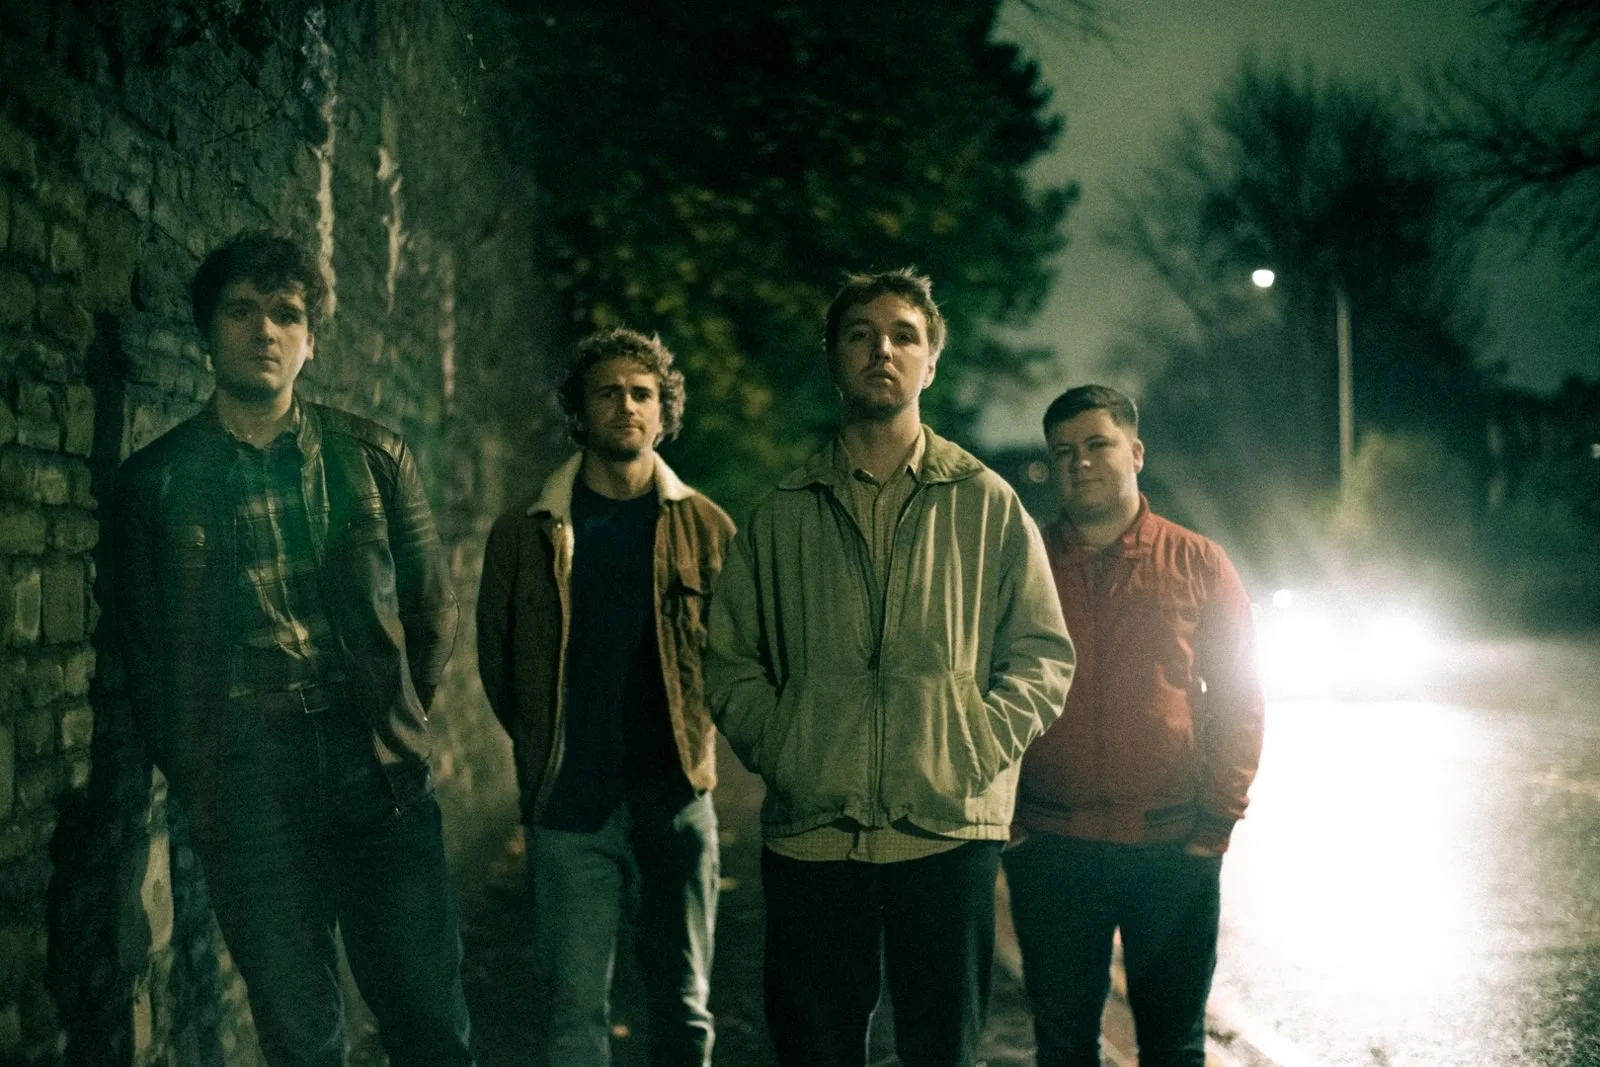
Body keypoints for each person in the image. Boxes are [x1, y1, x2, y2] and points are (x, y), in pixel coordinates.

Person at [113, 229, 473, 1066]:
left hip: (375, 764)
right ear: (208, 334)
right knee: (301, 1035)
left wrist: (393, 718)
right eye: (241, 311)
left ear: (311, 341)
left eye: (286, 314)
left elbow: (431, 609)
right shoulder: (155, 482)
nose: (265, 331)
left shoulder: (372, 457)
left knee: (428, 1018)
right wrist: (203, 765)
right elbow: (146, 655)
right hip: (248, 776)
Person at [706, 269, 1076, 1067]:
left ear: (931, 362)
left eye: (905, 335)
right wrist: (788, 747)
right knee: (814, 1051)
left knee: (943, 1051)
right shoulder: (783, 509)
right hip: (813, 835)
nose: (883, 349)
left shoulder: (986, 501)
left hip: (947, 827)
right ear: (833, 358)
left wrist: (971, 747)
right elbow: (730, 660)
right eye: (861, 334)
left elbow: (1042, 654)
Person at [476, 327, 733, 1066]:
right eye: (608, 392)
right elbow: (500, 666)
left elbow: (734, 658)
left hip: (675, 801)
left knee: (684, 1011)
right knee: (575, 1018)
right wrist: (546, 743)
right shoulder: (525, 534)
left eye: (642, 393)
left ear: (664, 412)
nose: (626, 405)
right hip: (569, 806)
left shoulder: (706, 527)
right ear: (580, 412)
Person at [1004, 385, 1266, 1067]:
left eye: (1098, 444)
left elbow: (1239, 694)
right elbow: (986, 687)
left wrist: (1215, 823)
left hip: (1170, 847)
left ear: (1136, 452)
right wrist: (1011, 819)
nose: (1080, 462)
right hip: (1053, 847)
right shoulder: (1022, 562)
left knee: (1174, 1046)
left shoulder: (1197, 561)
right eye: (1064, 451)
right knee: (1063, 1046)